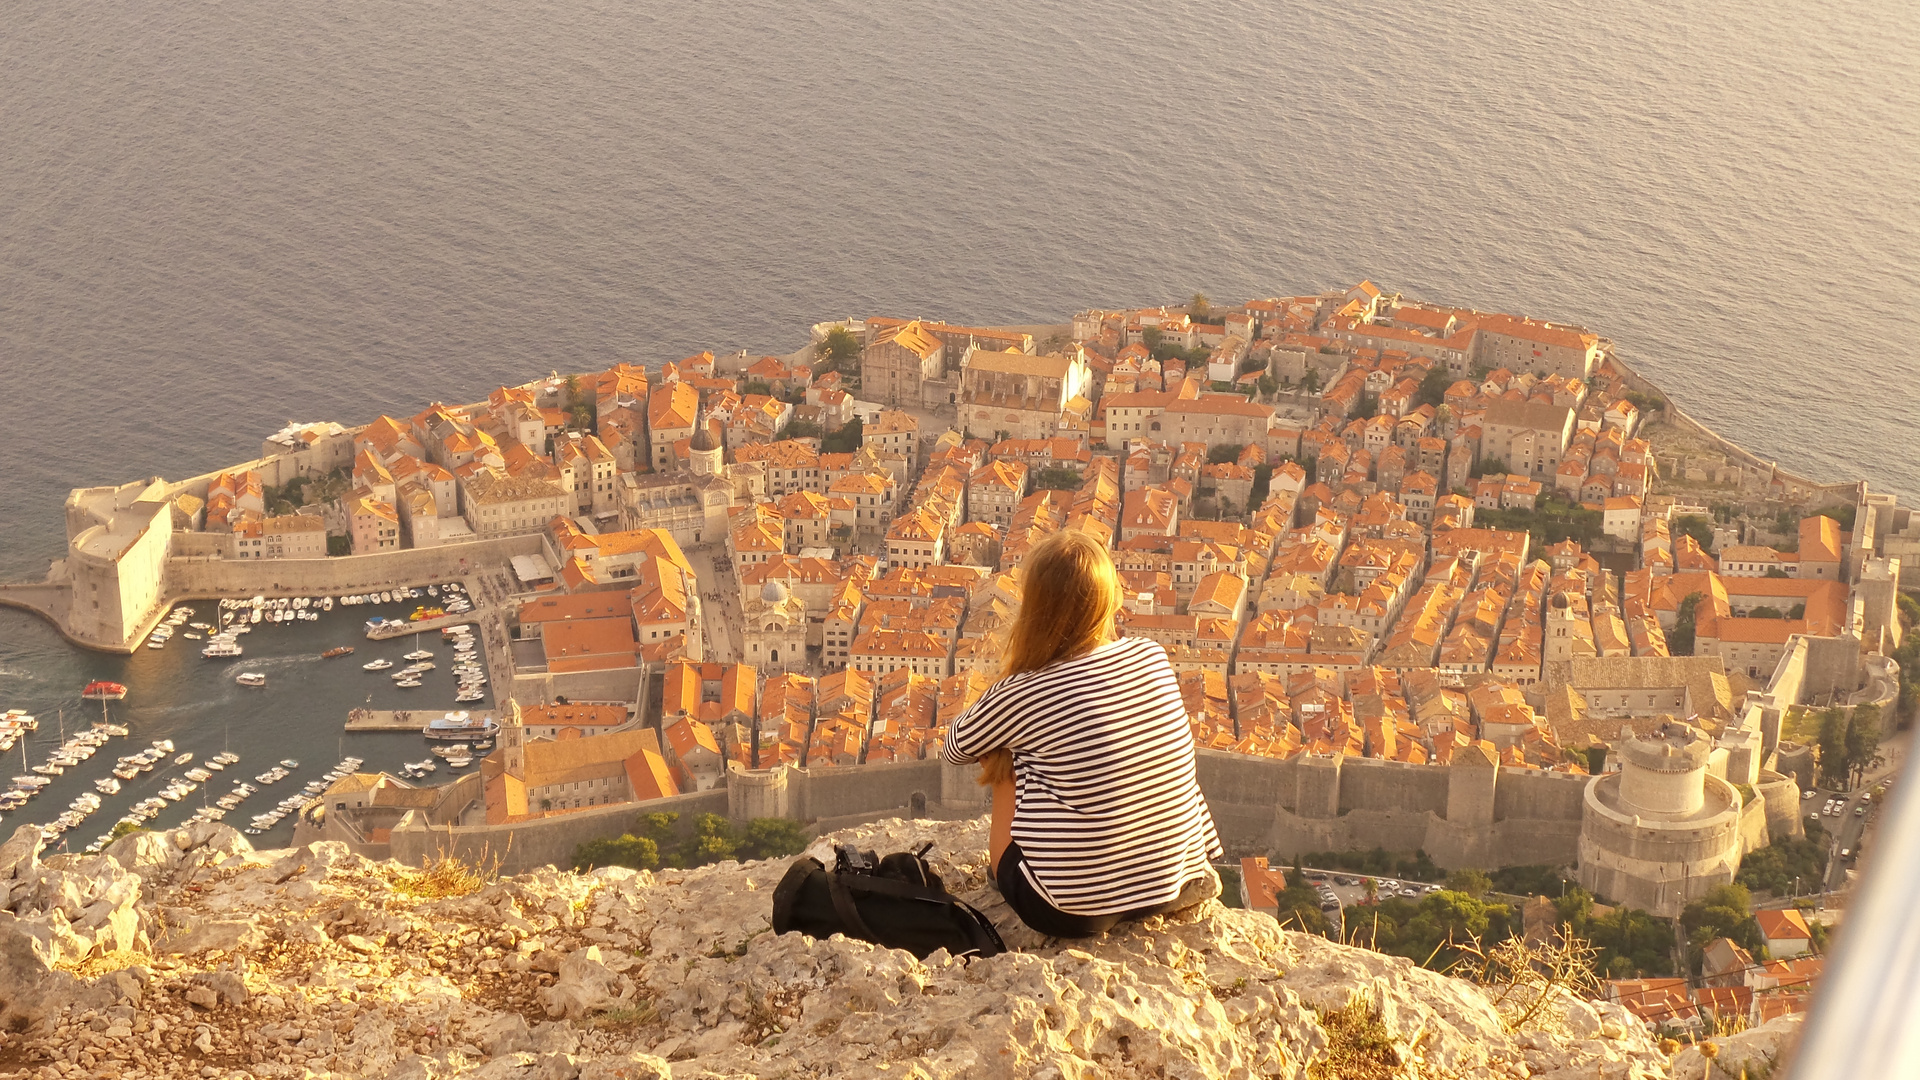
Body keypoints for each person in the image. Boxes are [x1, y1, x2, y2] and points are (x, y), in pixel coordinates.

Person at [944, 529, 1222, 937]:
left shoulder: (1025, 689)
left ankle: (1011, 864)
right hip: (1170, 881)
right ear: (1109, 599)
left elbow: (956, 747)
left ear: (1034, 607)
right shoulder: (1152, 656)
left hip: (1068, 909)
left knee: (1000, 756)